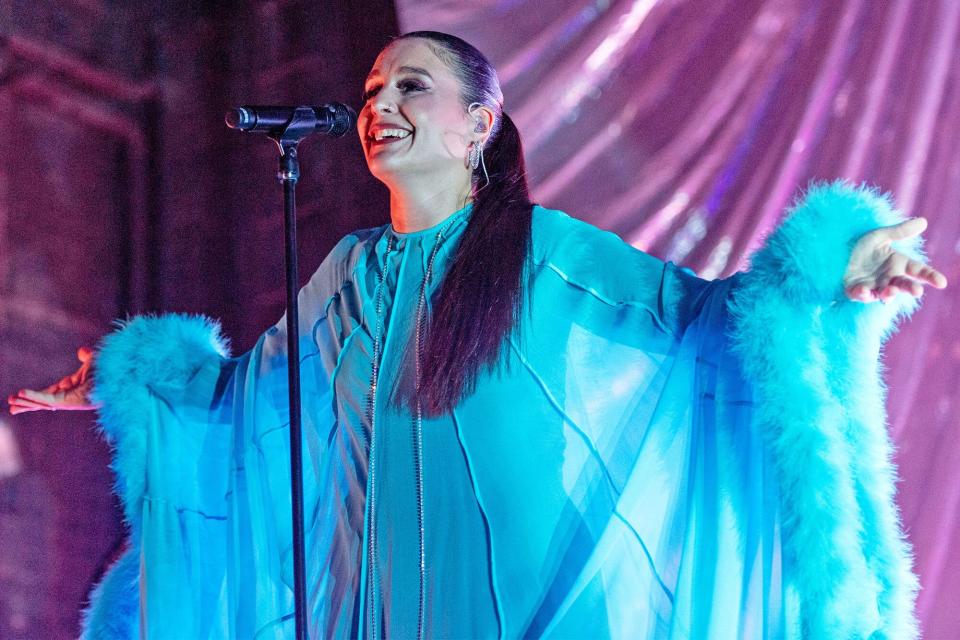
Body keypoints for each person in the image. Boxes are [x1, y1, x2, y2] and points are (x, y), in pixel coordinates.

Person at [7, 30, 948, 640]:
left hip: (540, 603)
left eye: (411, 88)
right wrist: (138, 380)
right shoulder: (344, 273)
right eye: (373, 90)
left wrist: (828, 274)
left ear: (477, 126)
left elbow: (710, 320)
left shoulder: (546, 251)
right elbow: (255, 401)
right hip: (379, 610)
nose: (380, 107)